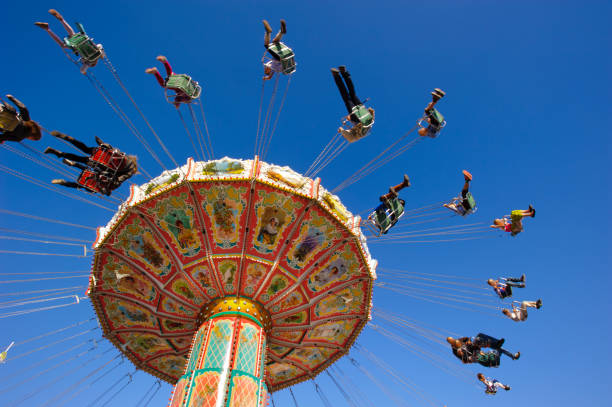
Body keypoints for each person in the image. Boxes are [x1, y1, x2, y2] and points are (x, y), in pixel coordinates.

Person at [44, 131, 137, 195]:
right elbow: (120, 179)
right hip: (105, 165)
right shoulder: (129, 170)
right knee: (81, 163)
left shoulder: (126, 162)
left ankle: (67, 140)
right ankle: (60, 155)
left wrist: (103, 144)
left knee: (85, 150)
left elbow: (116, 153)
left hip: (105, 160)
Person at [35, 9, 104, 75]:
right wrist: (84, 72)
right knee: (63, 45)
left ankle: (61, 20)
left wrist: (102, 54)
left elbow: (100, 45)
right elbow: (82, 70)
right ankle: (47, 29)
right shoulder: (89, 61)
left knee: (73, 34)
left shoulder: (98, 51)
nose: (82, 62)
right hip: (77, 45)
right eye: (83, 62)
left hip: (84, 39)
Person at [331, 66, 375, 142]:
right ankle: (338, 75)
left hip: (363, 114)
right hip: (359, 117)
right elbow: (351, 138)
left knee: (352, 95)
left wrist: (343, 130)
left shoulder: (364, 129)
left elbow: (351, 135)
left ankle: (343, 73)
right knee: (347, 97)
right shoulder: (358, 134)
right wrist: (342, 130)